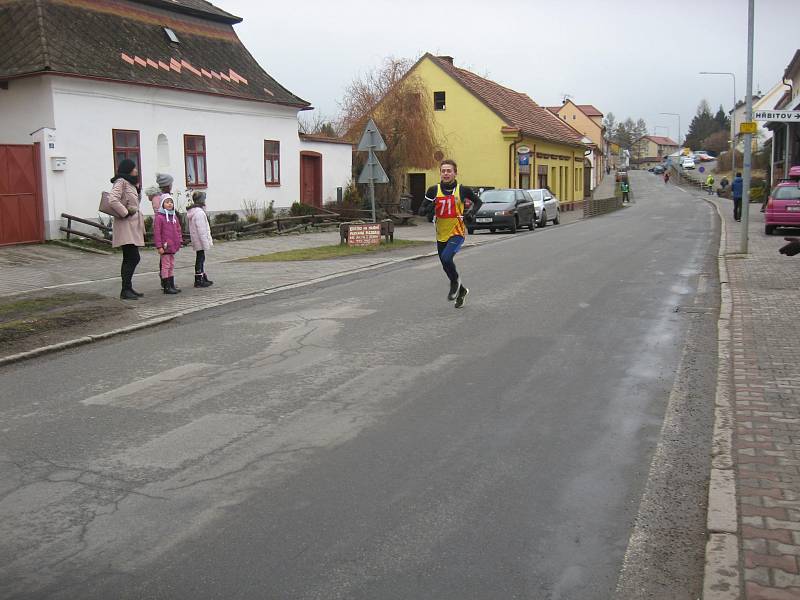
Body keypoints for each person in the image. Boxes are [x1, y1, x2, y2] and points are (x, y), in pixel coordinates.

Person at [417, 159, 481, 309]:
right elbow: (421, 211)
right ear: (440, 173)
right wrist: (430, 208)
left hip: (457, 232)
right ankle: (462, 290)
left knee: (446, 258)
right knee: (446, 265)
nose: (446, 173)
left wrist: (471, 213)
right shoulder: (433, 190)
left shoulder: (462, 190)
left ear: (455, 173)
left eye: (449, 171)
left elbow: (478, 202)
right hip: (441, 234)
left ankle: (454, 282)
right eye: (443, 171)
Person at [107, 158, 145, 300]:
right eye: (134, 168)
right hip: (125, 224)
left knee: (129, 258)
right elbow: (112, 200)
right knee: (133, 257)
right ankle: (125, 289)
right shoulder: (121, 182)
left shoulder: (131, 183)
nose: (136, 170)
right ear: (128, 169)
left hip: (132, 225)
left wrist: (138, 189)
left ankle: (127, 288)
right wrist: (125, 212)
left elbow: (135, 202)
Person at [153, 195, 182, 294]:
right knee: (165, 265)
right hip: (165, 246)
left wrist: (179, 241)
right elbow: (157, 233)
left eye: (171, 202)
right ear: (162, 204)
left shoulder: (174, 217)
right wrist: (159, 246)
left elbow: (178, 230)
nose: (170, 204)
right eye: (167, 202)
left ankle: (171, 284)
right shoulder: (159, 217)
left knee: (171, 265)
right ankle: (166, 286)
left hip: (173, 246)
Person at [186, 191, 214, 288]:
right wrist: (206, 243)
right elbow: (202, 230)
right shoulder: (199, 213)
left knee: (201, 258)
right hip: (200, 240)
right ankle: (199, 278)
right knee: (200, 259)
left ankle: (202, 276)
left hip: (197, 240)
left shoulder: (195, 212)